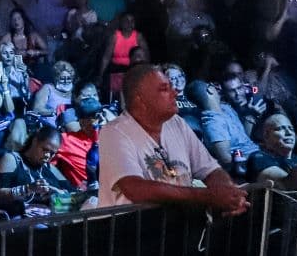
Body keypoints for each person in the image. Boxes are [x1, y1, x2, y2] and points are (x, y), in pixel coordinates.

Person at [97, 63, 250, 213]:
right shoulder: (114, 132)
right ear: (140, 100)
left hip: (178, 228)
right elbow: (135, 189)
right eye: (164, 89)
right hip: (131, 231)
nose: (175, 92)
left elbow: (210, 169)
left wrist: (230, 195)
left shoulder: (176, 123)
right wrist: (209, 197)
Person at [0, 126, 74, 217]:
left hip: (49, 219)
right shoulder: (13, 159)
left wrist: (58, 194)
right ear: (35, 141)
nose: (47, 155)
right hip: (18, 219)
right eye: (45, 150)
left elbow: (73, 197)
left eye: (52, 153)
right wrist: (28, 189)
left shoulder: (50, 169)